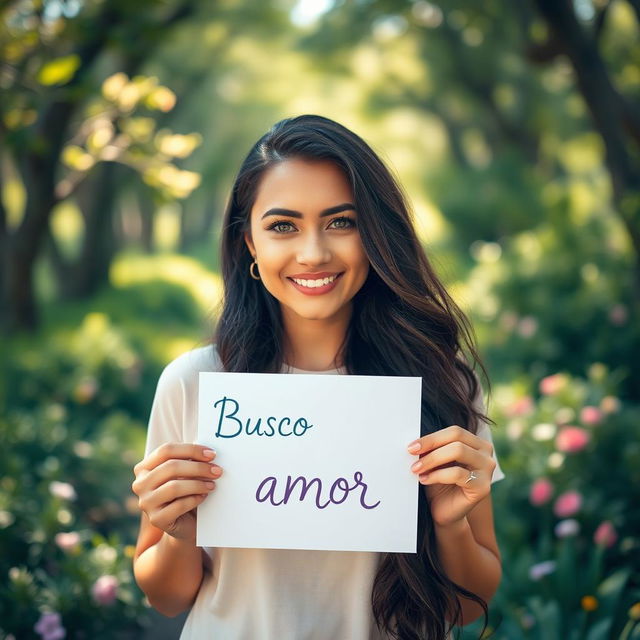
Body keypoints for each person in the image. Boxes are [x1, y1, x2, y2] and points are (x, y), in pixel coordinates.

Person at [131, 114, 505, 640]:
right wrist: (179, 531)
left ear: (376, 234)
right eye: (283, 226)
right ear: (249, 244)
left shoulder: (442, 378)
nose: (313, 253)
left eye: (342, 222)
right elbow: (165, 596)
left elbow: (468, 606)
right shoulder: (196, 382)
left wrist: (451, 524)